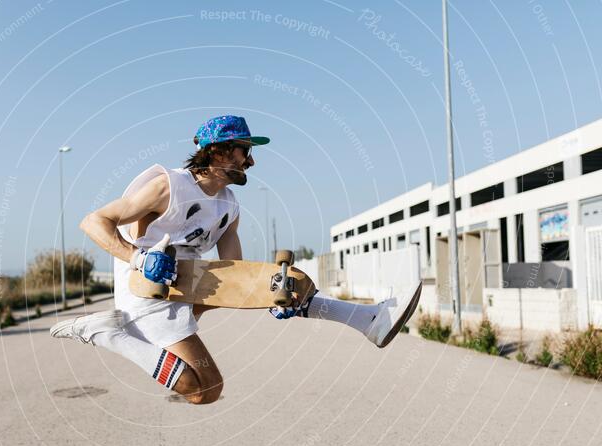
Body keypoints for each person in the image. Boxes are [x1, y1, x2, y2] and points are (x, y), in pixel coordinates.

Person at [50, 115, 421, 404]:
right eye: (245, 150)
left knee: (281, 286)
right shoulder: (169, 186)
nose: (251, 160)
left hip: (187, 284)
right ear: (218, 151)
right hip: (149, 291)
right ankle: (110, 334)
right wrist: (136, 257)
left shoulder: (229, 207)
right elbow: (94, 221)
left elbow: (237, 276)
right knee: (204, 390)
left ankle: (368, 319)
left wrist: (266, 298)